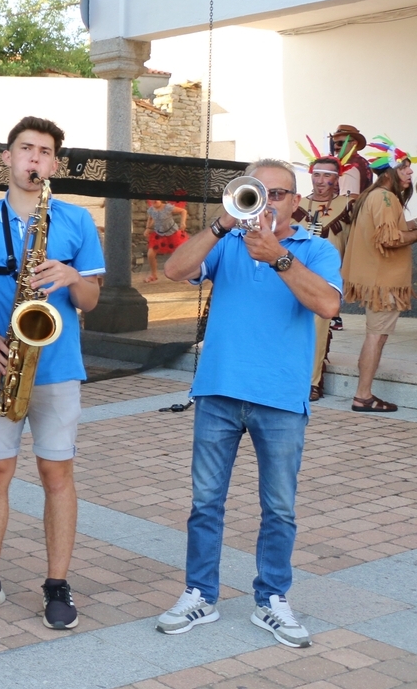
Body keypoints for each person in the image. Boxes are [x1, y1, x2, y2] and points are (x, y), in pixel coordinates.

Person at [156, 159, 341, 648]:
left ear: (296, 201)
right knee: (205, 504)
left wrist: (279, 257)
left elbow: (328, 305)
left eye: (278, 194)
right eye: (257, 191)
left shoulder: (316, 249)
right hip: (218, 391)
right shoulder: (227, 242)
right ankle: (200, 594)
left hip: (280, 398)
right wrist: (222, 224)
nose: (267, 201)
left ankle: (272, 599)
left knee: (279, 508)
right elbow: (174, 270)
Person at [0, 116, 104, 631]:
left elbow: (91, 301)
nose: (35, 158)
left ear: (55, 164)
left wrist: (72, 276)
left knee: (57, 475)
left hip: (58, 369)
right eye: (26, 148)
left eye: (45, 152)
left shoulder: (76, 220)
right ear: (7, 157)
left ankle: (57, 584)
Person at [340, 139, 417, 413]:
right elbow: (390, 239)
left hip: (377, 281)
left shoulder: (374, 196)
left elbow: (390, 228)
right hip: (383, 284)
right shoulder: (386, 198)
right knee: (376, 337)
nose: (410, 172)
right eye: (404, 168)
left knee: (375, 335)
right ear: (389, 172)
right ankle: (362, 396)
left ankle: (363, 394)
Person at [291, 155, 356, 400]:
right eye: (316, 174)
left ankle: (312, 382)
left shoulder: (347, 205)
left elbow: (356, 240)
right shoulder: (296, 204)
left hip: (325, 280)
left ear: (337, 179)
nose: (320, 181)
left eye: (327, 175)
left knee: (318, 329)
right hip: (292, 274)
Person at [145, 199, 188, 283]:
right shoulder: (151, 210)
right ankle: (153, 275)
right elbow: (151, 218)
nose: (155, 201)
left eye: (157, 199)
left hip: (173, 234)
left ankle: (184, 275)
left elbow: (183, 211)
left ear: (161, 200)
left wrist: (183, 222)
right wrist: (148, 228)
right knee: (150, 254)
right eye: (153, 199)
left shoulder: (167, 207)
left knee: (179, 254)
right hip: (159, 234)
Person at [331, 124, 370, 198]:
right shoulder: (363, 162)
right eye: (333, 143)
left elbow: (348, 199)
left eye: (340, 143)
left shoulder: (348, 167)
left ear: (354, 144)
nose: (335, 146)